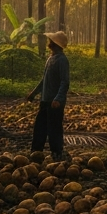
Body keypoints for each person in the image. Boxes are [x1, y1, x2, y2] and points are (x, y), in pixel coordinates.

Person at [26, 31, 70, 160]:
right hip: (45, 100)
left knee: (54, 128)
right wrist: (34, 93)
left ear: (55, 44)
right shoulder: (50, 59)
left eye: (51, 41)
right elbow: (44, 80)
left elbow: (65, 82)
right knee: (40, 126)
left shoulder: (62, 60)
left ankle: (56, 152)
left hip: (55, 102)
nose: (49, 43)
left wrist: (58, 99)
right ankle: (36, 151)